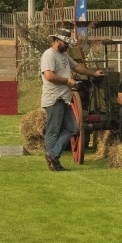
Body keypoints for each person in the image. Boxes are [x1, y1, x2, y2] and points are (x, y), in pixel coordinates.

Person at [40, 29, 104, 171]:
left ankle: (52, 155)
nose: (68, 46)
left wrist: (93, 73)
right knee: (53, 131)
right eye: (65, 43)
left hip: (65, 98)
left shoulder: (63, 54)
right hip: (54, 98)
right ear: (57, 40)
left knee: (72, 128)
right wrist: (67, 81)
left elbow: (77, 67)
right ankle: (53, 162)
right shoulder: (49, 55)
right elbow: (49, 76)